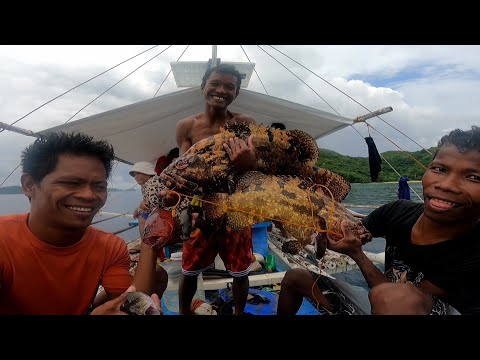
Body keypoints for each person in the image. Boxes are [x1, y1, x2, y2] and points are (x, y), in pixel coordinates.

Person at [278, 126, 480, 315]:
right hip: (383, 301)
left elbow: (397, 301)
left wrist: (357, 254)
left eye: (473, 177)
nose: (446, 185)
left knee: (393, 298)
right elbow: (352, 231)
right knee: (296, 277)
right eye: (440, 169)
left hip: (410, 306)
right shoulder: (398, 211)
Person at [0, 132, 162, 315]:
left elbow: (127, 303)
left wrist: (151, 242)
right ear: (29, 185)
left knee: (159, 274)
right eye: (71, 183)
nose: (89, 195)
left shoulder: (109, 247)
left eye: (99, 186)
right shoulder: (3, 240)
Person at [163, 63, 257, 315]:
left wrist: (248, 162)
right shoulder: (186, 126)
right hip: (200, 208)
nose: (221, 90)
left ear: (236, 93)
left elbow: (255, 167)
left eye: (230, 87)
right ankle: (184, 312)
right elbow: (184, 171)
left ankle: (238, 312)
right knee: (189, 269)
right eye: (215, 83)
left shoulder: (244, 123)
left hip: (236, 204)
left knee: (240, 271)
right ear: (203, 87)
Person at [130, 161, 158, 236]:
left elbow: (152, 203)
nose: (135, 177)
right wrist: (138, 208)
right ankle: (145, 243)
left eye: (138, 173)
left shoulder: (153, 182)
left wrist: (139, 208)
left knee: (142, 219)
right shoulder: (144, 184)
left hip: (162, 211)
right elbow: (146, 200)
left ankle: (146, 245)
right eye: (134, 175)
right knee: (142, 217)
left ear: (149, 173)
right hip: (155, 210)